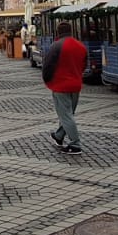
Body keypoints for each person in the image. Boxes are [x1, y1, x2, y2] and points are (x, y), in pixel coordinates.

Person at [42, 20, 88, 153]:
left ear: (58, 32)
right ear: (71, 31)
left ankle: (75, 144)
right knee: (69, 114)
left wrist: (47, 80)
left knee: (65, 115)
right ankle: (59, 136)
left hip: (61, 85)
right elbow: (84, 64)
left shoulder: (56, 46)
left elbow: (48, 65)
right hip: (76, 84)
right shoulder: (80, 46)